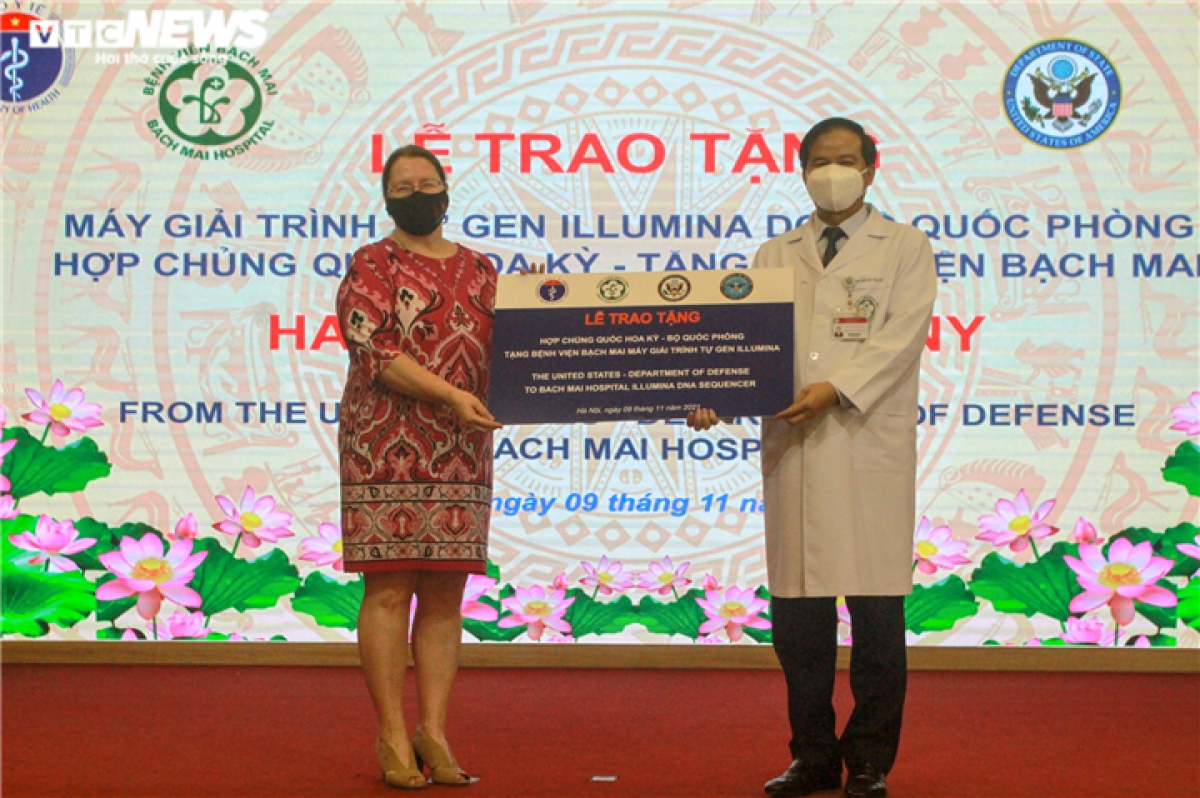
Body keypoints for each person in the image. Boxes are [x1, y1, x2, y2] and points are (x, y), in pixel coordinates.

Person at [688, 118, 936, 798]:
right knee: (799, 625)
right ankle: (813, 755)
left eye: (847, 161)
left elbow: (900, 340)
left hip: (865, 447)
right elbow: (748, 348)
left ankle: (871, 762)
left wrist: (836, 389)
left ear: (872, 169)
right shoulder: (775, 254)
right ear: (801, 171)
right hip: (794, 451)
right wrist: (715, 396)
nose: (835, 172)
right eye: (821, 161)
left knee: (878, 623)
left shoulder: (906, 249)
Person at [337, 144, 502, 790]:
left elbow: (508, 352)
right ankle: (390, 734)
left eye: (426, 182)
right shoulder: (372, 263)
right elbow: (373, 350)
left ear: (446, 189)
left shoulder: (482, 269)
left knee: (444, 594)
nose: (416, 192)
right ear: (386, 197)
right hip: (385, 445)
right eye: (402, 185)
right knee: (387, 589)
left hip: (460, 448)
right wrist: (450, 395)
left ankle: (433, 729)